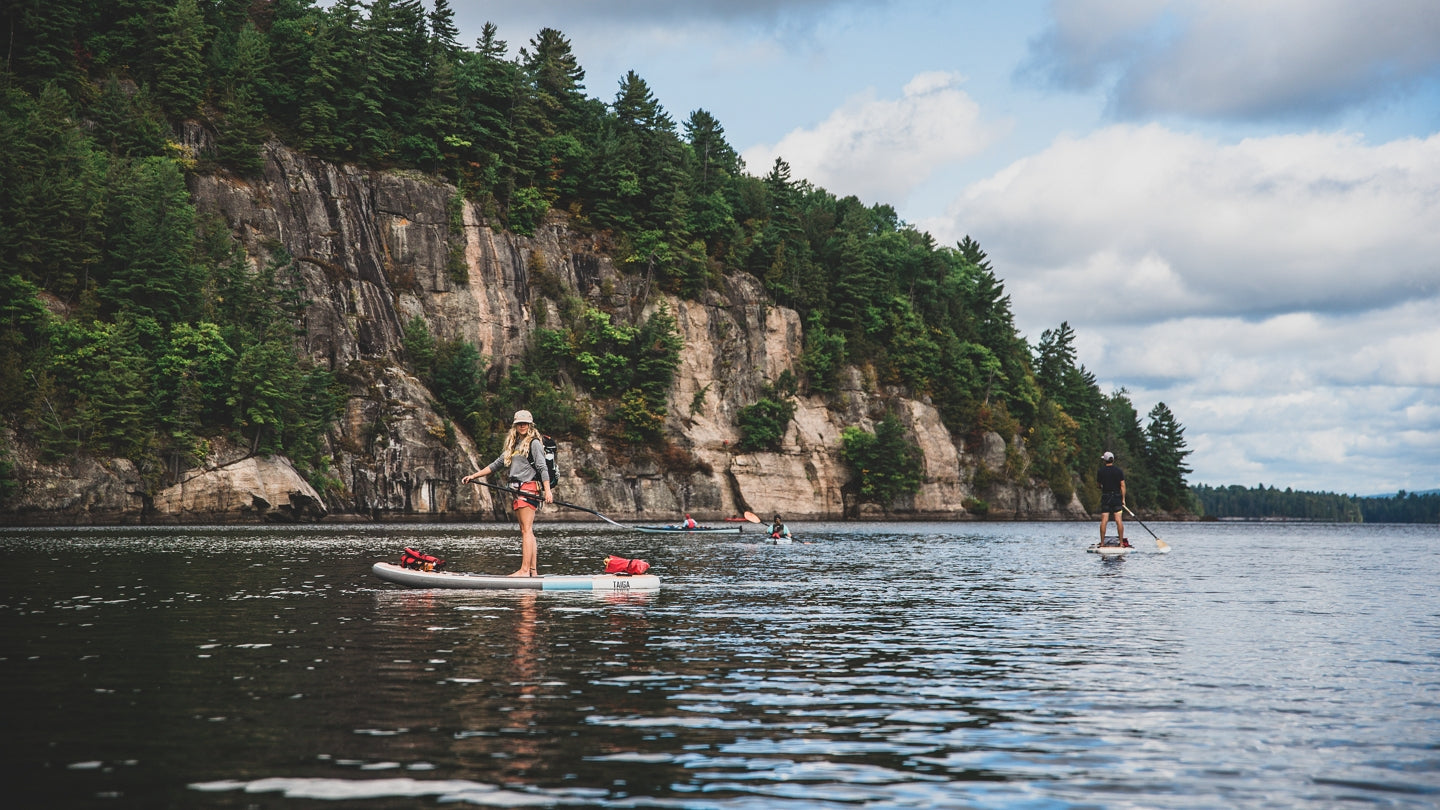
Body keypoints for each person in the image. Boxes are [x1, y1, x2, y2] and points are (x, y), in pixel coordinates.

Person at [462, 410, 554, 576]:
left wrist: (547, 491)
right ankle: (533, 571)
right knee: (527, 530)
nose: (522, 426)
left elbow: (542, 468)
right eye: (519, 423)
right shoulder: (514, 445)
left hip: (528, 489)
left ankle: (524, 570)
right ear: (515, 425)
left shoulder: (534, 443)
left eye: (525, 423)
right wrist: (473, 476)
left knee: (526, 530)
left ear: (530, 425)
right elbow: (496, 465)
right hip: (517, 491)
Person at [1097, 451, 1129, 547]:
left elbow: (1098, 485)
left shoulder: (1100, 471)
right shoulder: (1119, 471)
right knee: (1118, 520)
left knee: (1104, 520)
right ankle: (1121, 543)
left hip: (1106, 497)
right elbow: (1122, 486)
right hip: (1116, 498)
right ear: (1113, 460)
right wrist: (1123, 499)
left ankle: (1102, 543)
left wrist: (1102, 486)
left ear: (1104, 461)